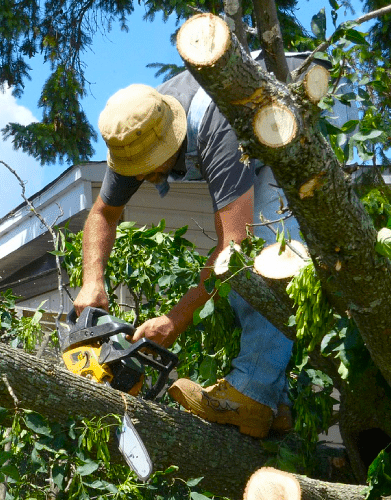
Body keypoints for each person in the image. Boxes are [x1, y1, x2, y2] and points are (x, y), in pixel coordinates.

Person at [74, 70, 298, 439]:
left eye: (149, 169)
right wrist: (91, 282)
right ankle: (277, 403)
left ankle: (254, 394)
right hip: (249, 145)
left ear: (171, 142)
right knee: (247, 261)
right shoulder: (134, 133)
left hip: (283, 131)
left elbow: (233, 250)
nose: (143, 178)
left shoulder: (217, 125)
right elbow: (102, 214)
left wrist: (175, 320)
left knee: (265, 255)